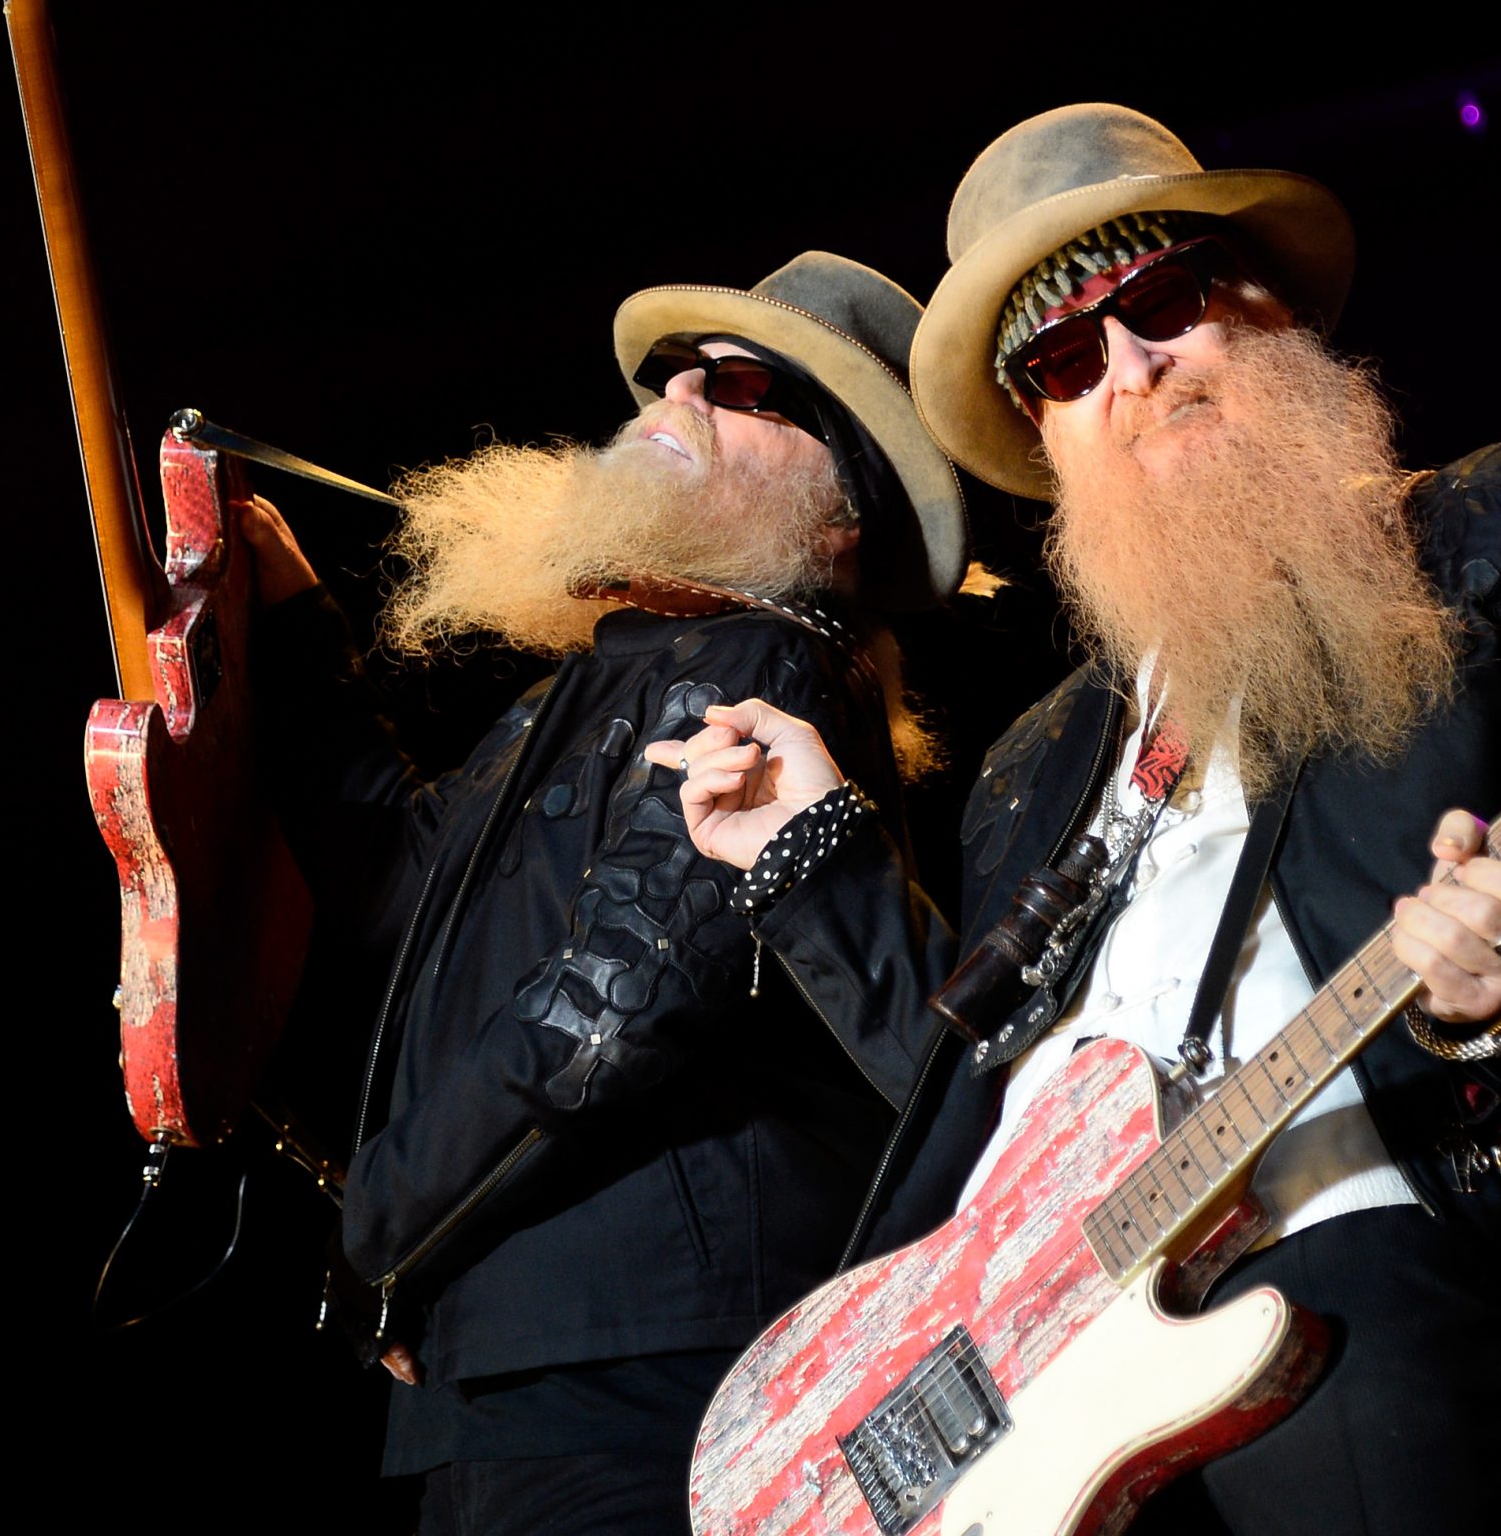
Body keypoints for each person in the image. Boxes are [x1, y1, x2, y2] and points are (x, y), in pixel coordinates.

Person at [658, 105, 1501, 1534]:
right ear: (1044, 430)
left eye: (1158, 300)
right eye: (1066, 362)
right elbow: (974, 1110)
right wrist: (812, 861)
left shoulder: (1481, 530)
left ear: (1269, 306)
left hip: (1341, 1232)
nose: (1131, 371)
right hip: (1036, 1365)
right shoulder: (1036, 757)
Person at [240, 253, 969, 1534]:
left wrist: (379, 1224)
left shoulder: (764, 658)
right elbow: (392, 883)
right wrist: (293, 625)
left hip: (652, 1363)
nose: (675, 394)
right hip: (504, 1362)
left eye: (743, 388)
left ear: (842, 511)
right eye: (675, 373)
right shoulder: (587, 684)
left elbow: (606, 1009)